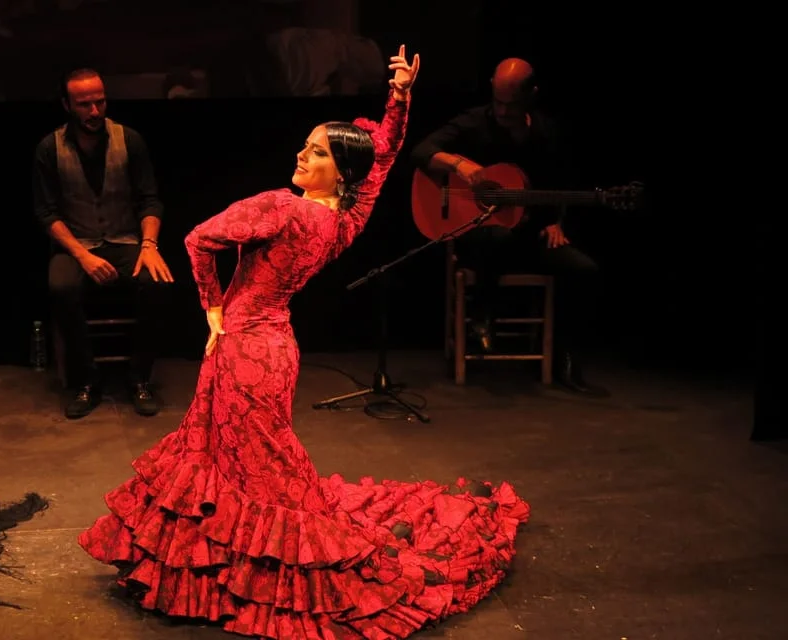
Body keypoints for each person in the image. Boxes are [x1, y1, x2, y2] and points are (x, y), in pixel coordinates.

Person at [78, 46, 530, 639]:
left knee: (247, 476)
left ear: (340, 171)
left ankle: (262, 580)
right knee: (244, 471)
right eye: (307, 144)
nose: (302, 153)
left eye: (317, 151)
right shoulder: (347, 219)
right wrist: (399, 98)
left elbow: (196, 240)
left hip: (245, 351)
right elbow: (383, 154)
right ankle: (227, 574)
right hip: (276, 346)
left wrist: (213, 309)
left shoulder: (282, 209)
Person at [410, 57, 608, 397]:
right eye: (498, 101)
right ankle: (482, 316)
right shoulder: (474, 122)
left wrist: (557, 222)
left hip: (530, 238)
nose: (502, 111)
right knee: (496, 234)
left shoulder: (548, 133)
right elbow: (421, 151)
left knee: (585, 270)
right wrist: (459, 164)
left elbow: (563, 185)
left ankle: (566, 359)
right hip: (481, 240)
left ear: (531, 95)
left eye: (511, 105)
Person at [33, 67, 174, 420]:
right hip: (76, 244)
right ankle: (86, 381)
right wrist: (83, 256)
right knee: (61, 286)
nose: (94, 111)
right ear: (67, 105)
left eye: (100, 102)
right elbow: (47, 214)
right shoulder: (50, 148)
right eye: (84, 104)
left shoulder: (130, 140)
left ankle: (139, 378)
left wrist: (149, 245)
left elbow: (150, 200)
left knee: (157, 283)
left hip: (124, 239)